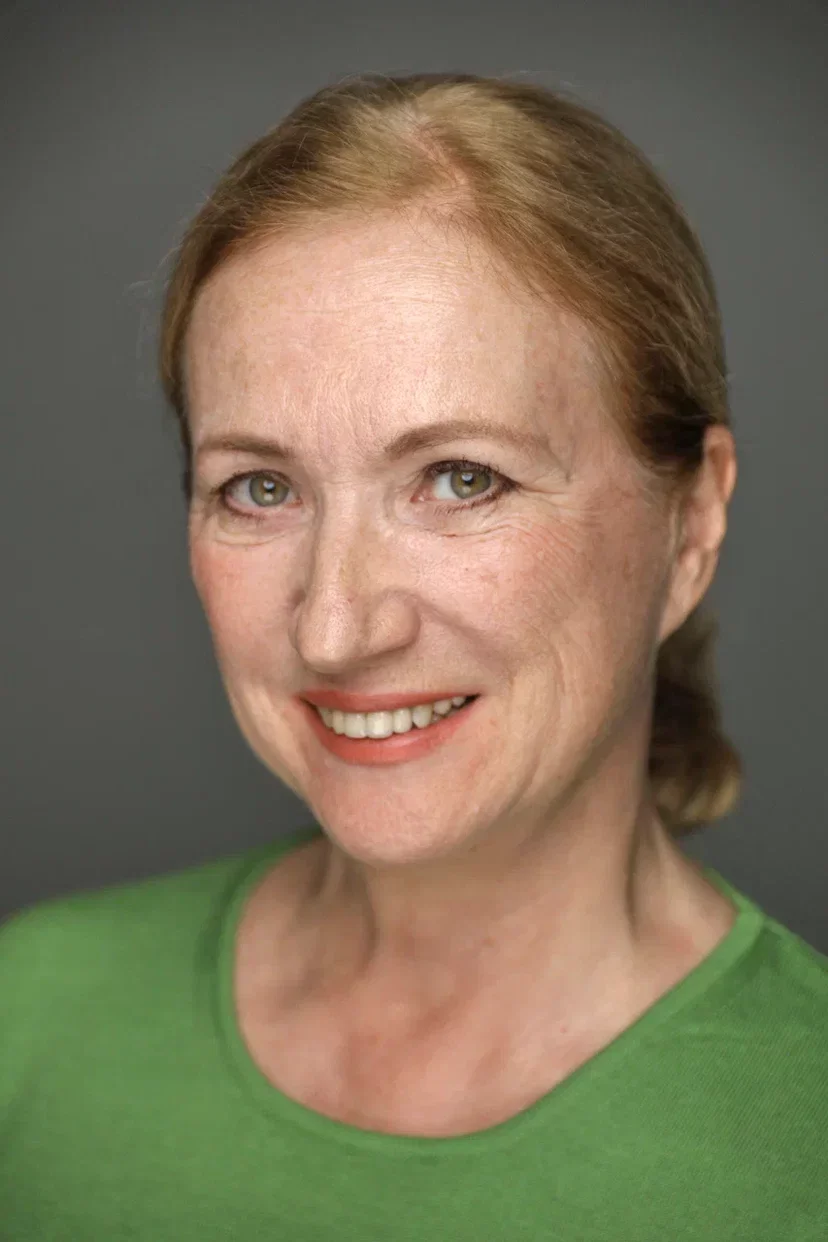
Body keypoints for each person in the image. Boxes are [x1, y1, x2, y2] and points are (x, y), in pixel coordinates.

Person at [1, 72, 826, 1241]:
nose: (333, 628)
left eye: (460, 478)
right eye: (260, 488)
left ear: (690, 526)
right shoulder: (30, 1020)